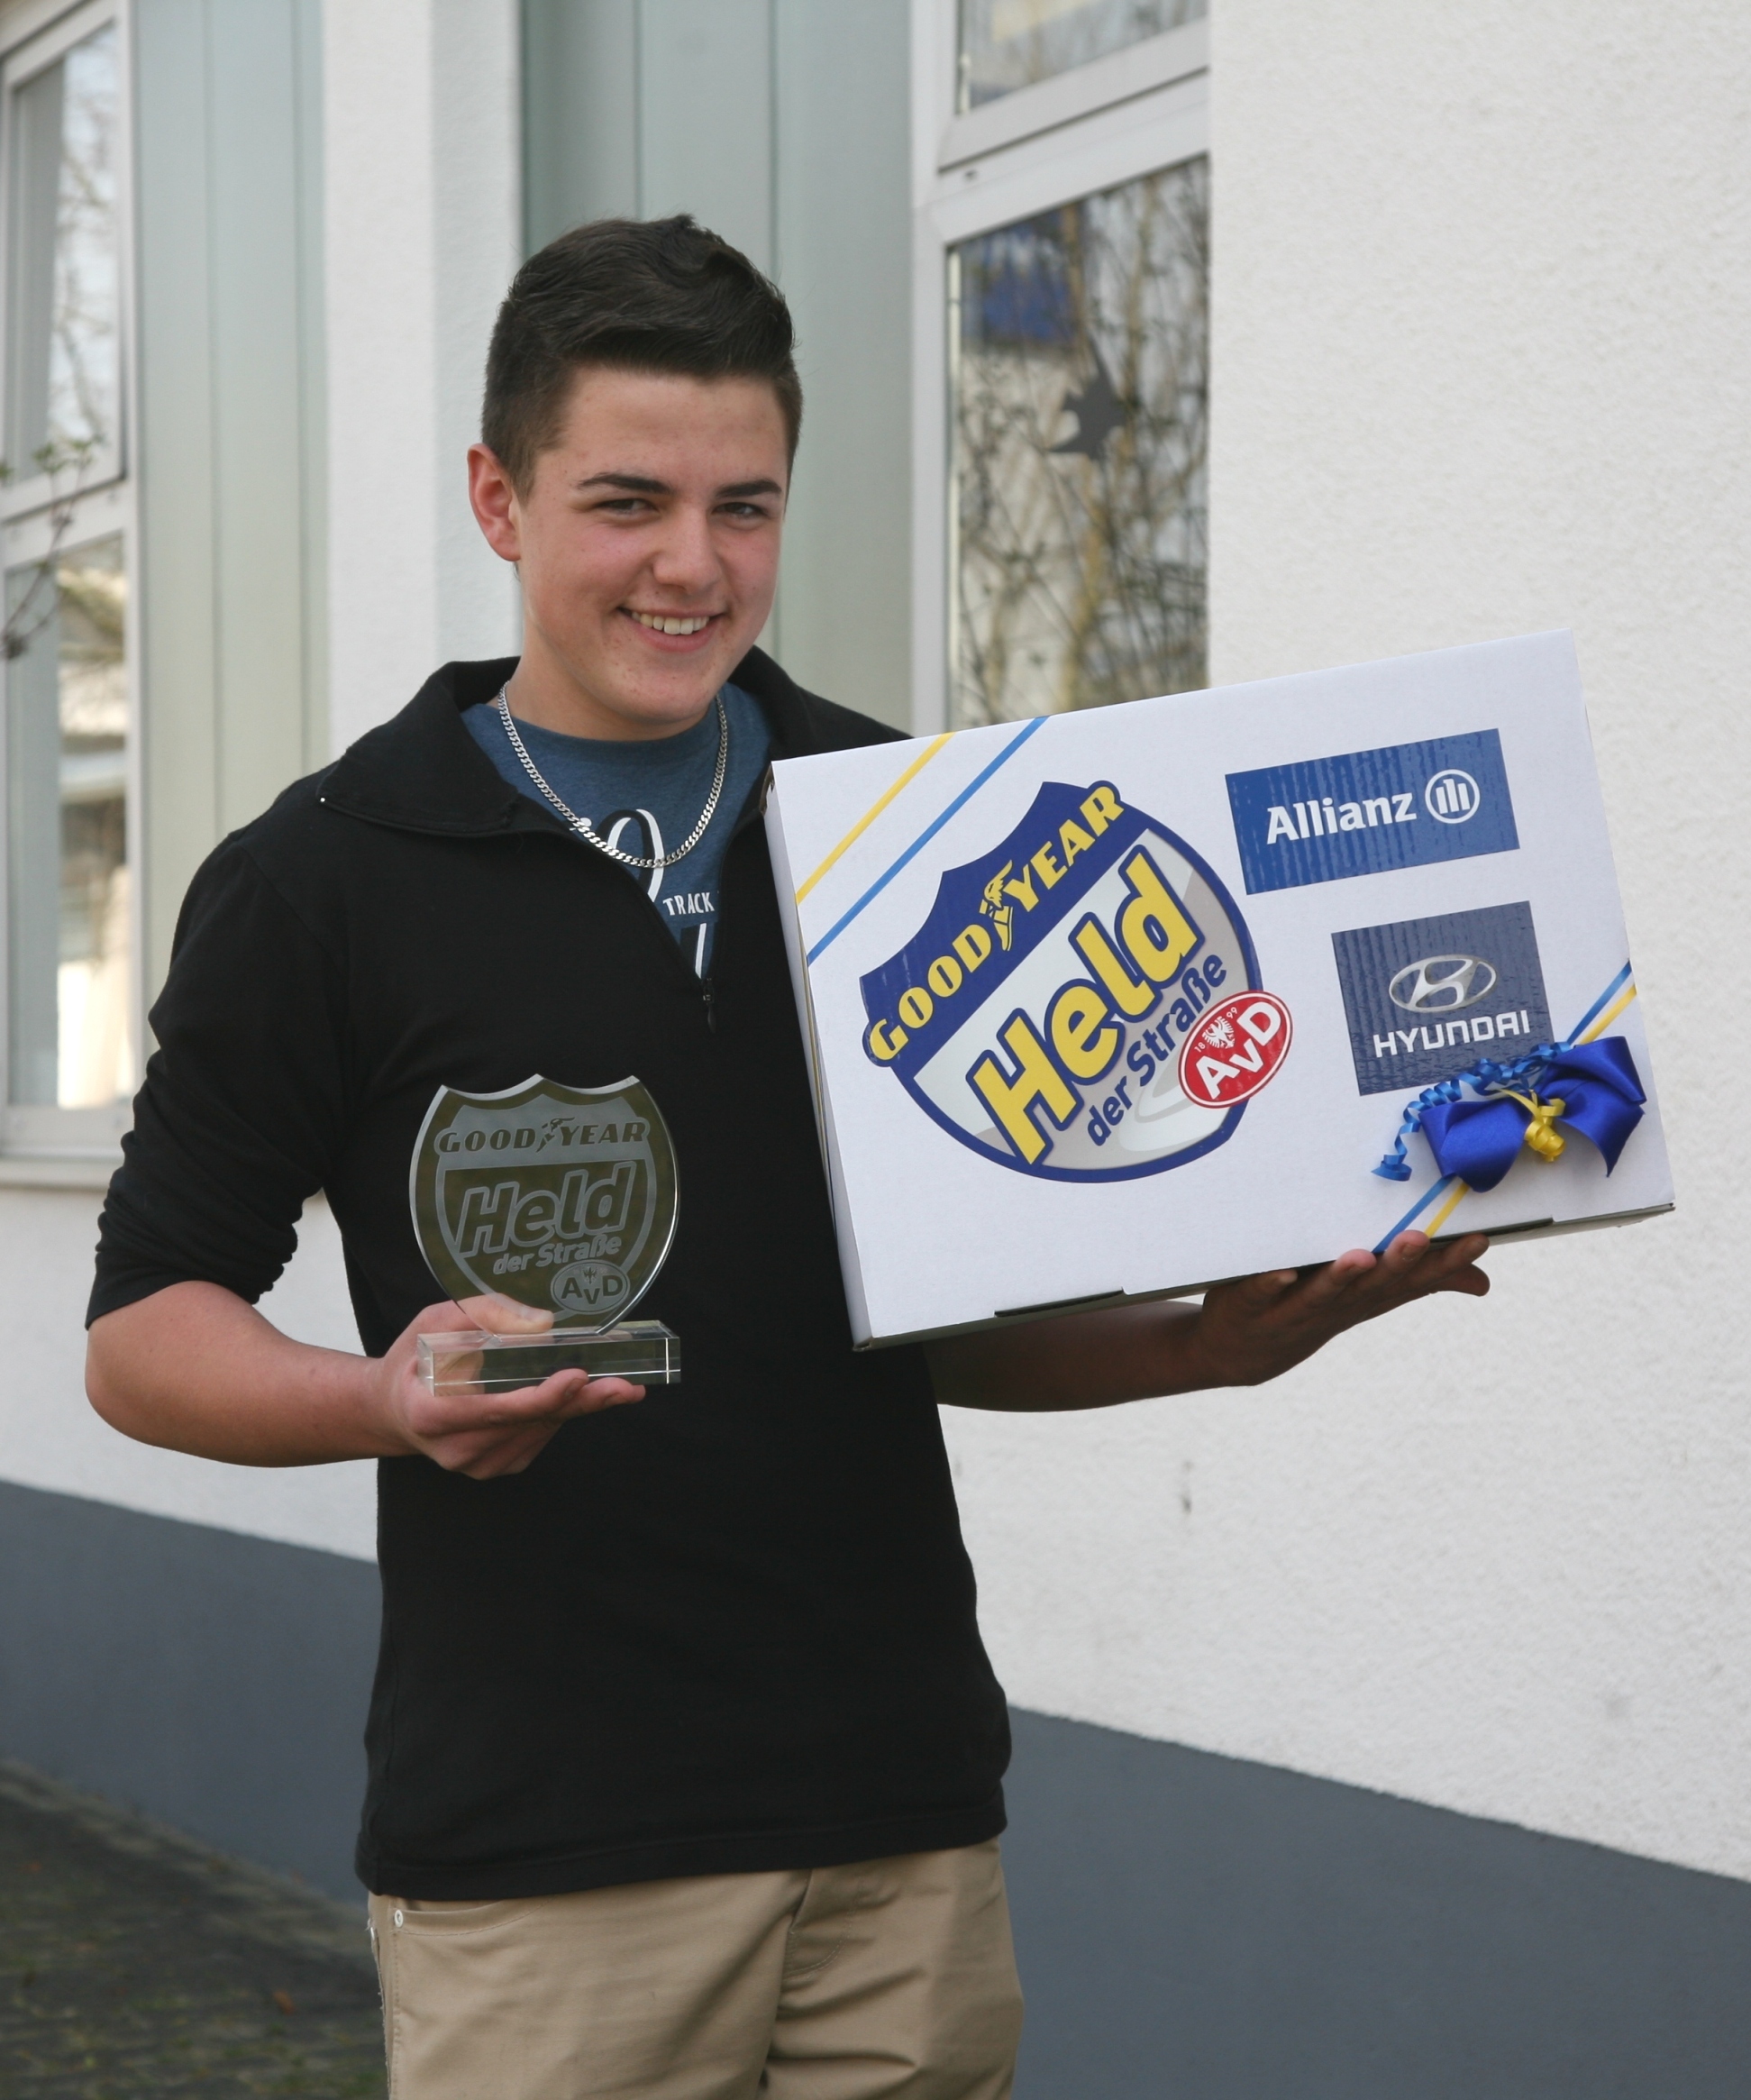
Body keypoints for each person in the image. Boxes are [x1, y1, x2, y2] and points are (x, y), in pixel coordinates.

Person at [85, 216, 1490, 2099]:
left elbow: (918, 1310)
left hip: (903, 1823)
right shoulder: (323, 879)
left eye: (742, 505)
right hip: (548, 1855)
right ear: (499, 499)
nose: (694, 563)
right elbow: (142, 1331)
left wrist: (1202, 1341)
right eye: (627, 501)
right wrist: (381, 1397)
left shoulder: (913, 833)